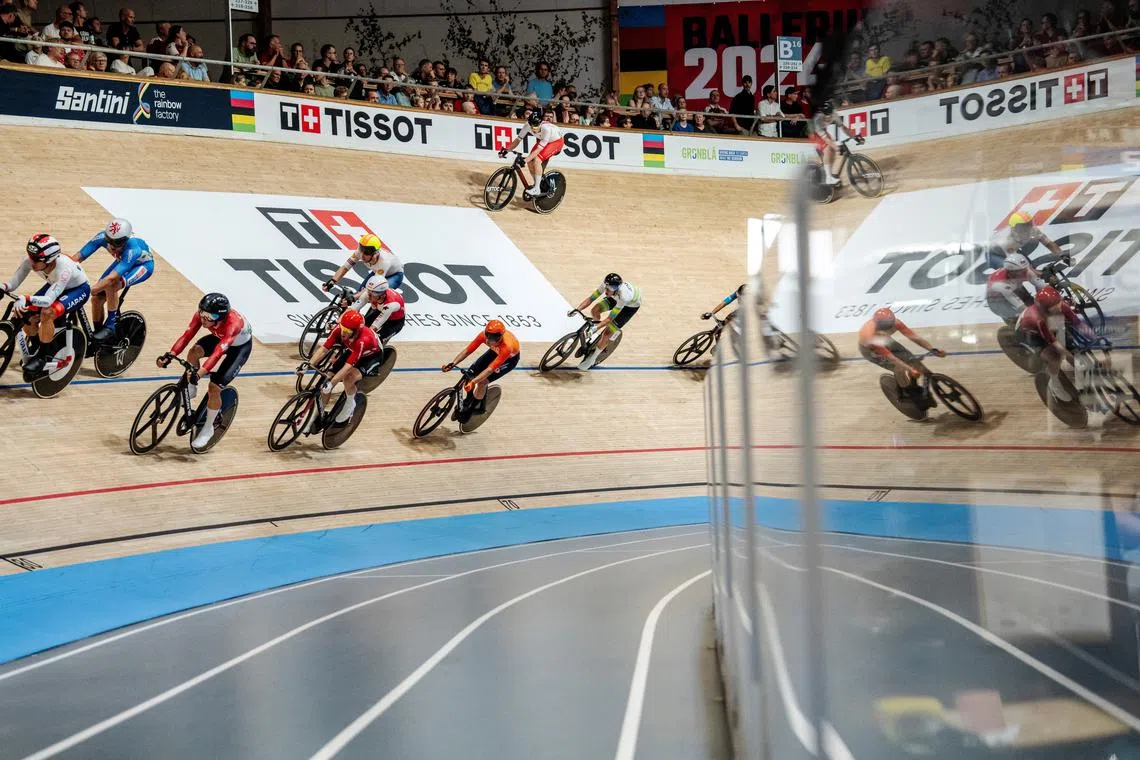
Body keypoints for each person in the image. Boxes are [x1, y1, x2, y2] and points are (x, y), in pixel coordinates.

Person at [159, 293, 252, 450]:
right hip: (221, 338)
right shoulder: (203, 316)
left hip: (239, 348)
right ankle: (191, 389)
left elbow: (217, 353)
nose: (204, 319)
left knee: (214, 387)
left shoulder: (232, 324)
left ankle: (208, 428)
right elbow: (187, 335)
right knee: (194, 351)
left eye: (209, 316)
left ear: (220, 316)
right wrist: (171, 354)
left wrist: (200, 373)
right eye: (202, 313)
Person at [1, 234, 90, 375]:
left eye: (36, 260)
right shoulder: (32, 260)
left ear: (49, 260)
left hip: (77, 290)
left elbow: (48, 301)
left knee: (47, 313)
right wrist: (3, 286)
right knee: (24, 311)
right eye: (30, 256)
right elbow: (13, 284)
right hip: (55, 286)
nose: (32, 262)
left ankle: (43, 357)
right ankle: (37, 346)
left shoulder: (64, 269)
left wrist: (26, 298)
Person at [74, 218, 155, 341]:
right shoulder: (102, 237)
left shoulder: (133, 249)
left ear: (125, 240)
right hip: (125, 261)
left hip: (142, 266)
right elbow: (76, 258)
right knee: (96, 299)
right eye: (109, 241)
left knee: (111, 285)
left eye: (116, 243)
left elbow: (112, 278)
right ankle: (98, 334)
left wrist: (87, 290)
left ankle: (110, 326)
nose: (111, 246)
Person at [1016, 286, 1095, 402]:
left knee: (1071, 347)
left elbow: (1078, 323)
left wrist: (1094, 337)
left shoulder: (1061, 305)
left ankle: (1080, 383)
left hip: (1049, 323)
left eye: (1059, 304)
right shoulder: (1038, 319)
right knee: (1055, 357)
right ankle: (1054, 384)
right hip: (1030, 334)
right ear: (1045, 309)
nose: (1059, 308)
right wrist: (1072, 359)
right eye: (1054, 308)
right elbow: (1055, 344)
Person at [303, 308, 381, 426]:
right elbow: (323, 349)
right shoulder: (339, 329)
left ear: (355, 331)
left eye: (347, 331)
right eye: (343, 328)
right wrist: (308, 365)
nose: (343, 333)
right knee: (327, 379)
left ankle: (351, 403)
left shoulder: (362, 340)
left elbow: (348, 367)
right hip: (352, 351)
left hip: (371, 357)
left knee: (348, 378)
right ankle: (319, 412)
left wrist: (332, 384)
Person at [858, 307, 946, 407]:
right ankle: (907, 392)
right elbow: (892, 358)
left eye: (889, 326)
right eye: (884, 327)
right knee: (898, 368)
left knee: (913, 360)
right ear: (877, 325)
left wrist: (932, 349)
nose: (887, 328)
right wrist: (909, 369)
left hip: (885, 341)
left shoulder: (896, 322)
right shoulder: (870, 336)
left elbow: (914, 337)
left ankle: (918, 381)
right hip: (871, 350)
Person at [441, 319, 520, 422]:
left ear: (500, 338)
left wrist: (474, 382)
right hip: (495, 351)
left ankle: (470, 411)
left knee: (482, 382)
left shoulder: (507, 347)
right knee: (470, 373)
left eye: (493, 339)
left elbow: (489, 370)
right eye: (488, 337)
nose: (489, 341)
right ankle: (468, 400)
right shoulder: (484, 336)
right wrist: (453, 363)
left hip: (508, 360)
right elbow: (467, 351)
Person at [570, 272, 641, 370]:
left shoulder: (624, 296)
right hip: (615, 298)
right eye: (606, 288)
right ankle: (596, 333)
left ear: (615, 289)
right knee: (595, 310)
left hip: (629, 307)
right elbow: (591, 298)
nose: (605, 291)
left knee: (608, 332)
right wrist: (577, 309)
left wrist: (596, 327)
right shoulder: (606, 285)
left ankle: (592, 359)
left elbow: (609, 319)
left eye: (608, 289)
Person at [499, 110, 563, 199]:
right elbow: (518, 140)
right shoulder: (527, 126)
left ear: (540, 122)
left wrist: (524, 161)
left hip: (556, 141)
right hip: (544, 141)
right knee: (530, 161)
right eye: (532, 127)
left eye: (537, 127)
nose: (534, 129)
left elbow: (538, 150)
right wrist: (507, 150)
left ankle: (537, 188)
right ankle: (538, 183)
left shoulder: (546, 129)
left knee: (537, 159)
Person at [323, 233, 404, 293]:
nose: (362, 255)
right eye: (362, 249)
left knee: (375, 293)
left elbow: (373, 287)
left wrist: (355, 297)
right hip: (377, 272)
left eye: (367, 251)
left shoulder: (384, 261)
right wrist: (332, 281)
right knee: (359, 294)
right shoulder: (359, 252)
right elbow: (345, 268)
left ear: (375, 254)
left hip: (395, 275)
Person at [985, 253, 1045, 325]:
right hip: (997, 300)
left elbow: (1041, 286)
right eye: (1022, 271)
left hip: (1013, 288)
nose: (1026, 271)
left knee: (1036, 307)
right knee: (1017, 321)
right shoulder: (1000, 284)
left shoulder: (1023, 270)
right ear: (1012, 272)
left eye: (1026, 268)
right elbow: (1020, 306)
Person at [811, 100, 861, 185]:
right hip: (813, 133)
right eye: (826, 117)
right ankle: (828, 178)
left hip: (823, 131)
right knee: (828, 148)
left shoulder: (834, 114)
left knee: (832, 152)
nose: (828, 118)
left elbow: (843, 128)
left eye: (830, 116)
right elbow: (826, 139)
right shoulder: (817, 119)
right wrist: (837, 148)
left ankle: (828, 172)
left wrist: (854, 137)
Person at [989, 212, 1064, 268]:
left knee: (1031, 265)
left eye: (1029, 224)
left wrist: (1062, 255)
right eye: (1023, 226)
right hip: (995, 255)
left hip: (1013, 248)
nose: (1028, 228)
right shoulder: (1006, 241)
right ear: (1014, 228)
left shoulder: (1032, 229)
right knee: (1014, 271)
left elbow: (1048, 243)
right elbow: (1016, 263)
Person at [352, 274, 405, 345]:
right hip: (380, 311)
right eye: (368, 292)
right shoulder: (370, 293)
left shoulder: (391, 304)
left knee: (375, 341)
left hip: (394, 322)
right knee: (358, 327)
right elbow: (353, 309)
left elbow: (375, 326)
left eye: (372, 294)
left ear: (381, 295)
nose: (369, 296)